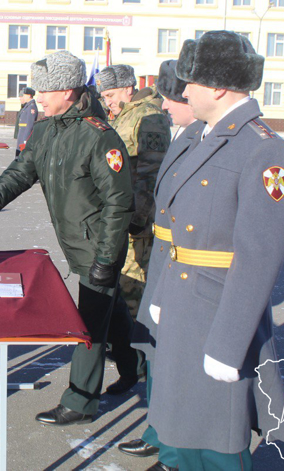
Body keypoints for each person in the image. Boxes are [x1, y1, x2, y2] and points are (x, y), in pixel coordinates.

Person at [147, 30, 284, 470]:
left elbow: (259, 257)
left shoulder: (265, 149)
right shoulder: (205, 136)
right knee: (179, 422)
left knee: (217, 438)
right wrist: (161, 296)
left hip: (217, 310)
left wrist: (229, 346)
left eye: (191, 81)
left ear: (216, 86)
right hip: (182, 299)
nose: (184, 89)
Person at [0, 50, 134, 426]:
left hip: (99, 246)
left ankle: (80, 401)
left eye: (47, 90)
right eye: (38, 90)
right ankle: (135, 363)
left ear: (71, 92)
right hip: (75, 241)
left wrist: (107, 259)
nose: (38, 98)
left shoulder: (100, 137)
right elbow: (19, 174)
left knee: (88, 324)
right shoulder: (45, 131)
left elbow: (119, 202)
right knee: (113, 311)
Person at [116, 59, 204, 471]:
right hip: (163, 250)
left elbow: (149, 180)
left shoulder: (194, 132)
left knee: (164, 346)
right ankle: (160, 430)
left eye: (172, 98)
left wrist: (134, 222)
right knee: (152, 342)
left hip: (169, 254)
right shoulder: (189, 132)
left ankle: (170, 436)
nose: (165, 106)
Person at [95, 64, 172, 396]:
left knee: (134, 293)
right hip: (121, 220)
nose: (107, 102)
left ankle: (145, 370)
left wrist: (137, 219)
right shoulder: (124, 114)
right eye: (103, 96)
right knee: (122, 293)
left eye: (110, 95)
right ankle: (133, 365)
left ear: (129, 88)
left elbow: (150, 175)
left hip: (136, 225)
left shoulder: (149, 116)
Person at [13, 87, 37, 157]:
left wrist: (25, 140)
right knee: (19, 156)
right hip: (22, 135)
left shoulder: (31, 107)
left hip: (24, 136)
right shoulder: (27, 106)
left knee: (22, 157)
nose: (22, 97)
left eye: (24, 95)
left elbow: (30, 125)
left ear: (29, 95)